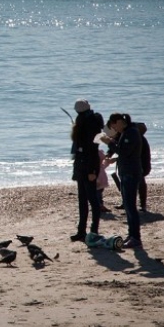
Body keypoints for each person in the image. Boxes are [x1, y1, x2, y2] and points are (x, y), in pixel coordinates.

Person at [101, 113, 143, 248]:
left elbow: (124, 151)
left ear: (119, 122)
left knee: (130, 206)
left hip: (131, 173)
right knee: (128, 206)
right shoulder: (126, 132)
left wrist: (110, 142)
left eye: (114, 126)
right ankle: (131, 235)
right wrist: (110, 153)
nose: (115, 129)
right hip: (126, 172)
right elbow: (122, 151)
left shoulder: (131, 132)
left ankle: (135, 237)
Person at [69, 99, 105, 242]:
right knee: (83, 200)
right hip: (82, 163)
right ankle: (82, 231)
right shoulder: (87, 120)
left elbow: (91, 148)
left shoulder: (89, 123)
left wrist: (92, 171)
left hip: (87, 164)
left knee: (92, 200)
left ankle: (93, 231)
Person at [137, 122, 152, 212]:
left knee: (140, 185)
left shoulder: (140, 140)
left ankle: (143, 205)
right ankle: (142, 205)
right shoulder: (141, 139)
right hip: (140, 166)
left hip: (141, 166)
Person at [97, 148, 112, 213]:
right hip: (98, 181)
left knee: (99, 193)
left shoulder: (100, 165)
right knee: (97, 194)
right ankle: (99, 205)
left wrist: (107, 161)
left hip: (101, 181)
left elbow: (105, 164)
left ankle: (100, 205)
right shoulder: (96, 167)